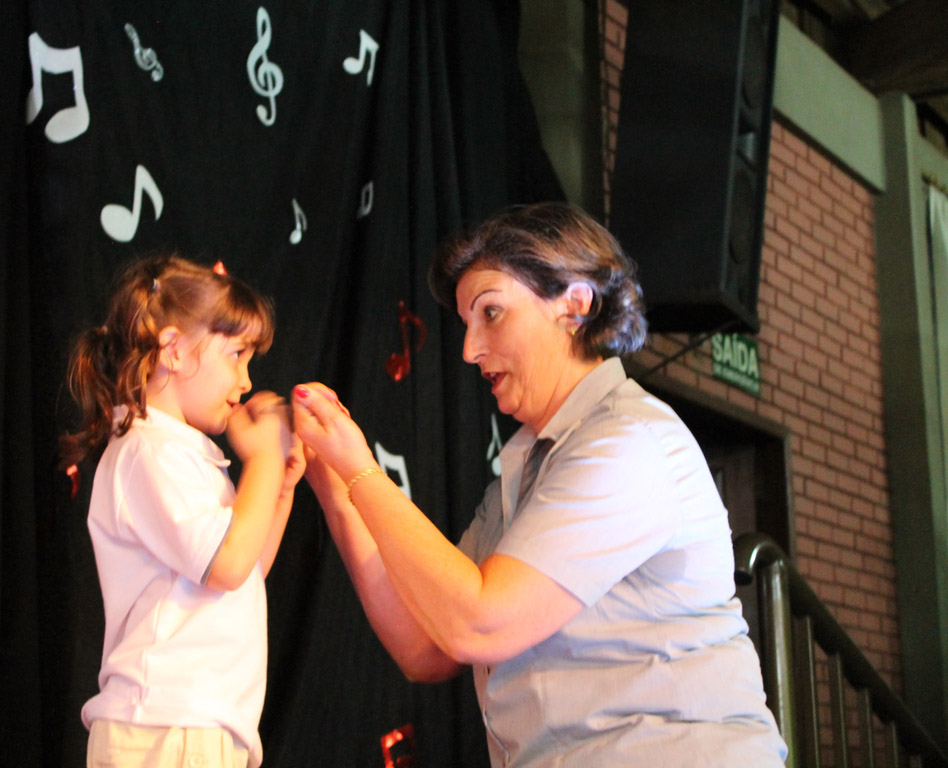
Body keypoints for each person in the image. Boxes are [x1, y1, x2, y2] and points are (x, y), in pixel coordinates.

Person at [292, 202, 788, 767]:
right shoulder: (530, 465)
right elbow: (426, 646)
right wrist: (336, 484)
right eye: (467, 323)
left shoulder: (628, 441)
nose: (469, 350)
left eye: (491, 312)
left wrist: (361, 469)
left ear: (574, 305)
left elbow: (478, 623)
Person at [60, 254, 303, 768]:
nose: (245, 381)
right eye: (236, 356)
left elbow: (244, 571)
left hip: (188, 727)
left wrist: (277, 488)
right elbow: (227, 564)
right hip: (165, 727)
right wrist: (262, 459)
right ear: (172, 349)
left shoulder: (179, 453)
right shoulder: (149, 451)